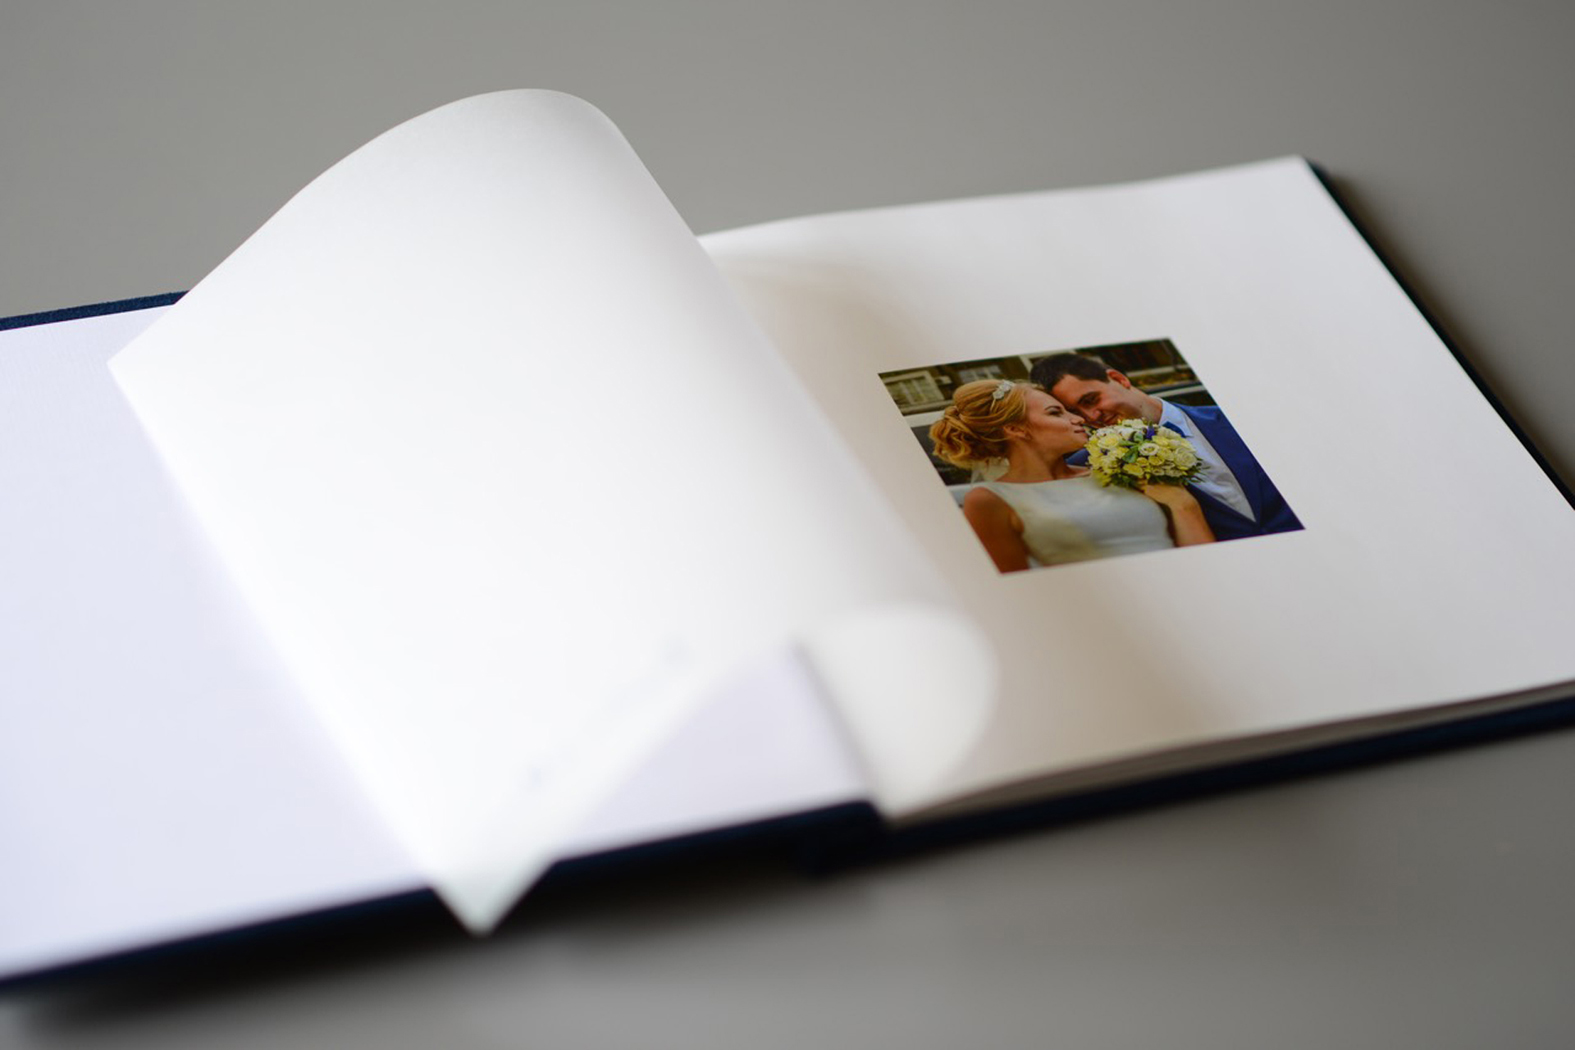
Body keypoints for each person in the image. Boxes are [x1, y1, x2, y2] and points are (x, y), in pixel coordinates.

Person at [929, 379, 1214, 573]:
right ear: (1016, 429)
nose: (1078, 418)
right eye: (1056, 413)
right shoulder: (988, 500)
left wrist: (1183, 505)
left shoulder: (1119, 469)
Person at [1029, 353, 1302, 541]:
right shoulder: (1086, 467)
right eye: (1075, 412)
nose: (1091, 417)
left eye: (1090, 400)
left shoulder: (1237, 417)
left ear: (1119, 379)